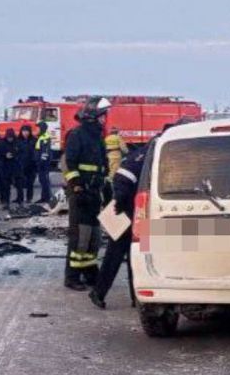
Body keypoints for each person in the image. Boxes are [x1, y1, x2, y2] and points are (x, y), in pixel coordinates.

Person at [88, 143, 149, 309]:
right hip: (130, 210)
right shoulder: (148, 154)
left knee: (137, 255)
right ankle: (99, 292)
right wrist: (120, 202)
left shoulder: (148, 151)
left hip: (141, 211)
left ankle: (134, 297)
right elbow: (123, 176)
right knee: (118, 253)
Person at [63, 96, 111, 291]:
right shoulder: (77, 135)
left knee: (93, 235)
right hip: (81, 192)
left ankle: (90, 271)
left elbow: (102, 165)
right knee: (80, 235)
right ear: (93, 116)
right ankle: (72, 276)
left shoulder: (97, 136)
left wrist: (106, 185)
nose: (105, 119)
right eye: (103, 115)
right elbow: (70, 163)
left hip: (94, 191)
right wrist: (76, 186)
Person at [0, 128, 19, 209]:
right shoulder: (1, 142)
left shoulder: (17, 141)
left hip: (16, 166)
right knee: (6, 186)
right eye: (9, 137)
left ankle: (20, 201)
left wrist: (14, 155)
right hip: (5, 167)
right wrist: (5, 155)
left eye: (11, 137)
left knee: (19, 185)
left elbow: (21, 152)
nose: (10, 139)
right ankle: (6, 202)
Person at [16, 124, 37, 204]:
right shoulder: (18, 140)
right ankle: (20, 198)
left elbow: (37, 151)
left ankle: (29, 198)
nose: (25, 133)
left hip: (31, 165)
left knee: (30, 183)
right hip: (20, 164)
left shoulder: (34, 140)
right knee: (19, 183)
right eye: (24, 131)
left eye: (27, 131)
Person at [34, 120, 53, 204]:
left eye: (37, 128)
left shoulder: (45, 138)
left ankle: (48, 198)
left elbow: (45, 152)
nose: (36, 129)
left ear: (41, 128)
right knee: (42, 180)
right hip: (40, 163)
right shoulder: (41, 137)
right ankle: (44, 197)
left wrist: (41, 162)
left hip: (43, 164)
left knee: (45, 180)